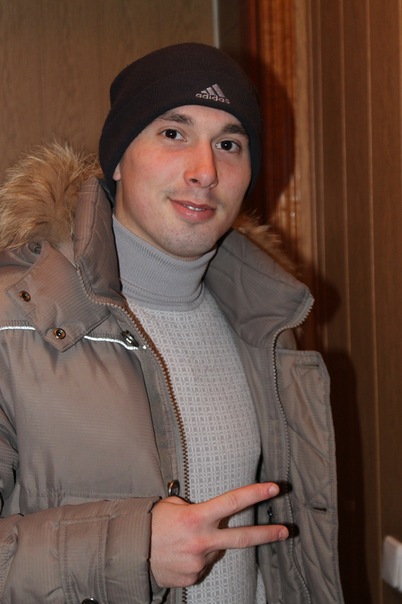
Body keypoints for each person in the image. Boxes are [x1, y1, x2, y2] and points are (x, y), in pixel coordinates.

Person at [0, 43, 344, 603]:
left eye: (229, 144)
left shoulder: (267, 327)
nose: (205, 171)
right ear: (117, 161)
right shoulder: (14, 321)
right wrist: (129, 551)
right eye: (173, 133)